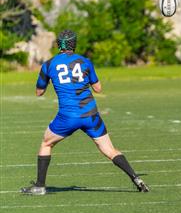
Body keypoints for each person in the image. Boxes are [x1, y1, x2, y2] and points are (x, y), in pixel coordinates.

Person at [21, 30, 150, 195]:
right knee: (109, 150)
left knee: (46, 143)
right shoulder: (85, 61)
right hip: (90, 115)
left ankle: (39, 186)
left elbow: (39, 92)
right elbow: (98, 88)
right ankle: (135, 178)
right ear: (74, 44)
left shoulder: (49, 64)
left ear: (58, 44)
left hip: (67, 117)